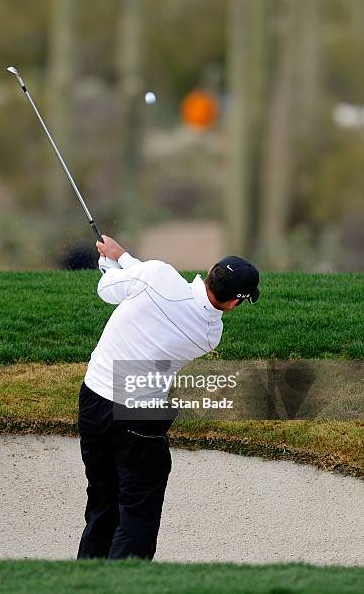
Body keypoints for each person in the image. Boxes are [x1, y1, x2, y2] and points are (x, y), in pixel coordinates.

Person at [77, 235, 259, 560]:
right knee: (137, 512)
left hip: (93, 398)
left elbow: (111, 289)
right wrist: (125, 259)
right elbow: (156, 288)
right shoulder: (208, 334)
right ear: (234, 303)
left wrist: (110, 262)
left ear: (209, 270)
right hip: (137, 414)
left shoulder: (157, 275)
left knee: (103, 502)